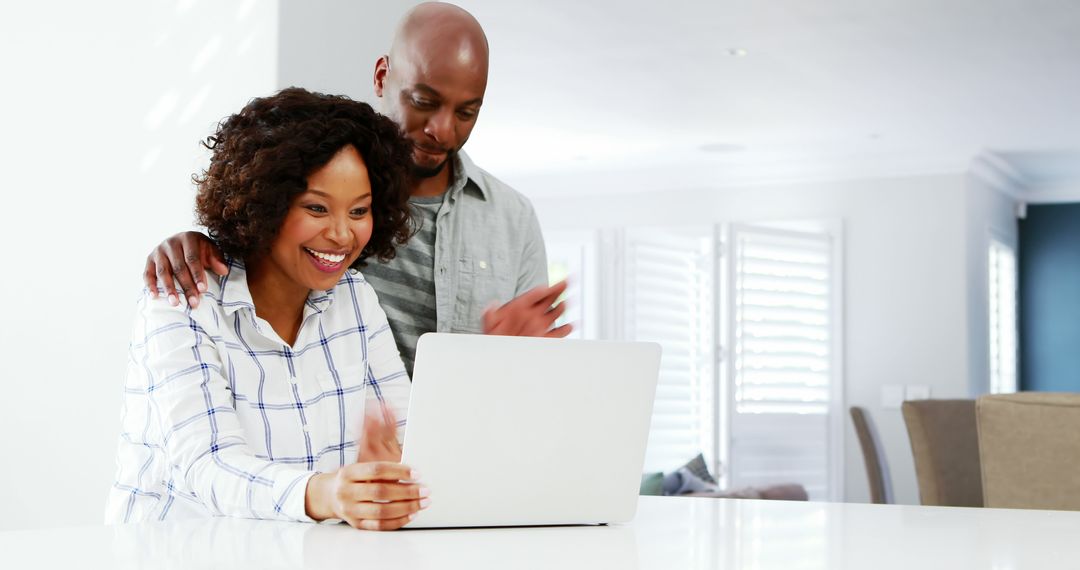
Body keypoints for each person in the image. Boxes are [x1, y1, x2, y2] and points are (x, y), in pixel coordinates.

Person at [142, 2, 570, 375]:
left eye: (467, 111)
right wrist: (196, 244)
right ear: (382, 76)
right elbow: (254, 260)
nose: (442, 130)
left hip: (451, 454)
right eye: (423, 101)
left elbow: (529, 382)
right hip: (329, 457)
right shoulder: (315, 186)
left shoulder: (513, 218)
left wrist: (514, 361)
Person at [107, 88, 425, 531]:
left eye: (359, 211)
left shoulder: (355, 298)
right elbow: (208, 466)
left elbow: (409, 440)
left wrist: (390, 471)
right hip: (175, 552)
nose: (341, 234)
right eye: (316, 207)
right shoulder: (182, 299)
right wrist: (327, 493)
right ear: (266, 204)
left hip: (305, 553)